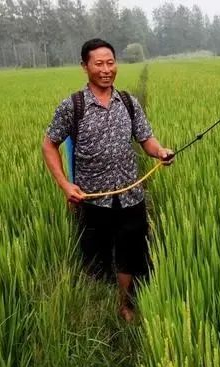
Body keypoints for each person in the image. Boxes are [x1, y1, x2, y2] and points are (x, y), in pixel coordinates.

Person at [41, 38, 174, 322]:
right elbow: (49, 144)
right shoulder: (73, 106)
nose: (106, 69)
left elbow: (146, 139)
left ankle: (124, 305)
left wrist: (160, 152)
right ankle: (96, 307)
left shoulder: (128, 101)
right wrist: (66, 185)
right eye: (98, 63)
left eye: (110, 62)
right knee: (97, 258)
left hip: (130, 196)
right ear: (84, 66)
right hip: (93, 200)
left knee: (130, 251)